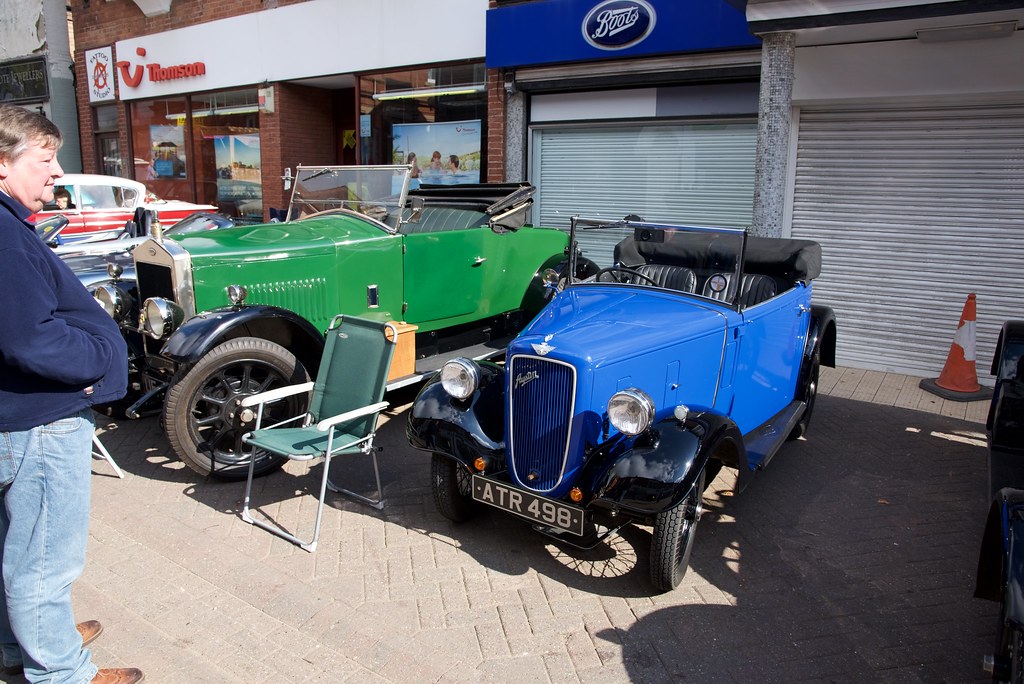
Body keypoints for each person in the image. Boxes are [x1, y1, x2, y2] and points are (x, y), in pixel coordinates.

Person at [0, 105, 143, 684]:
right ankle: (60, 671)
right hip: (41, 420)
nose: (55, 171)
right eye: (44, 158)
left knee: (18, 546)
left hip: (22, 415)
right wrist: (97, 363)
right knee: (43, 562)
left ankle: (31, 641)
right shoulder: (6, 240)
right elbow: (28, 336)